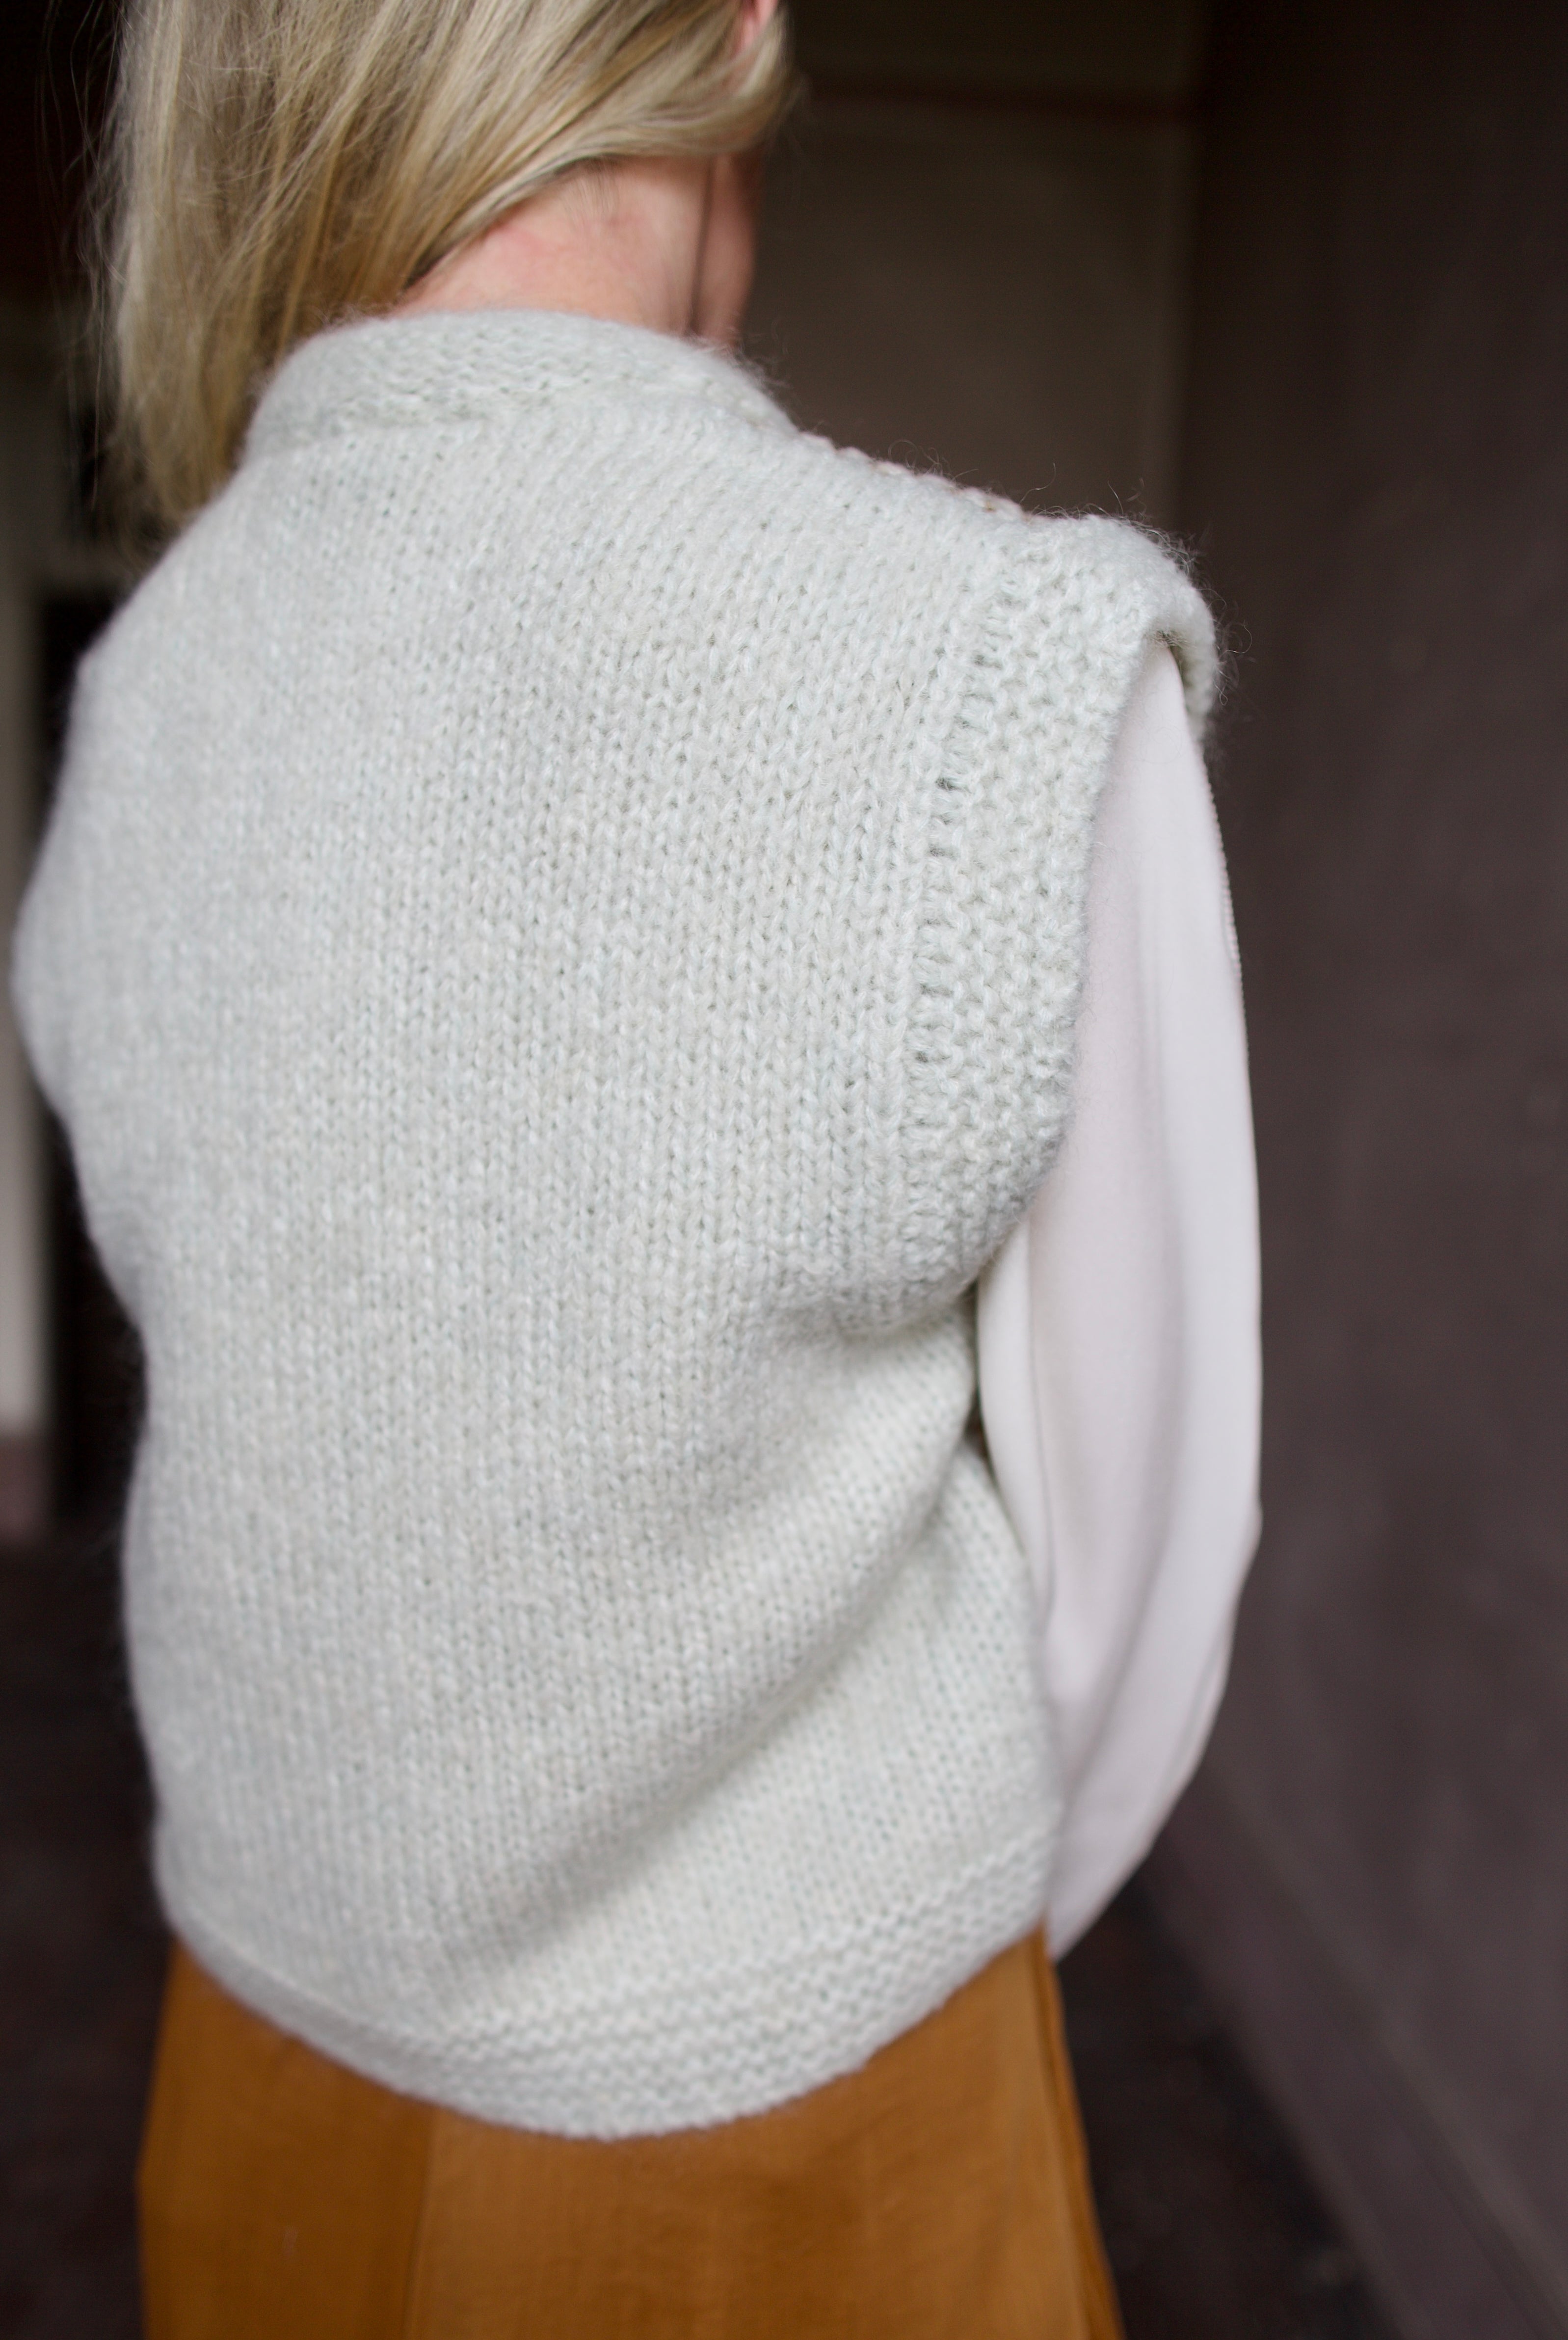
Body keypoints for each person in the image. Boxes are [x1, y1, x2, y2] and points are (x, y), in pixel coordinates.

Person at [11, 0, 1260, 2330]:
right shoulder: (1000, 668)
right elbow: (1145, 1578)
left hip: (253, 2060)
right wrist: (875, 1930)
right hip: (805, 2131)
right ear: (734, 33)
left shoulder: (142, 688)